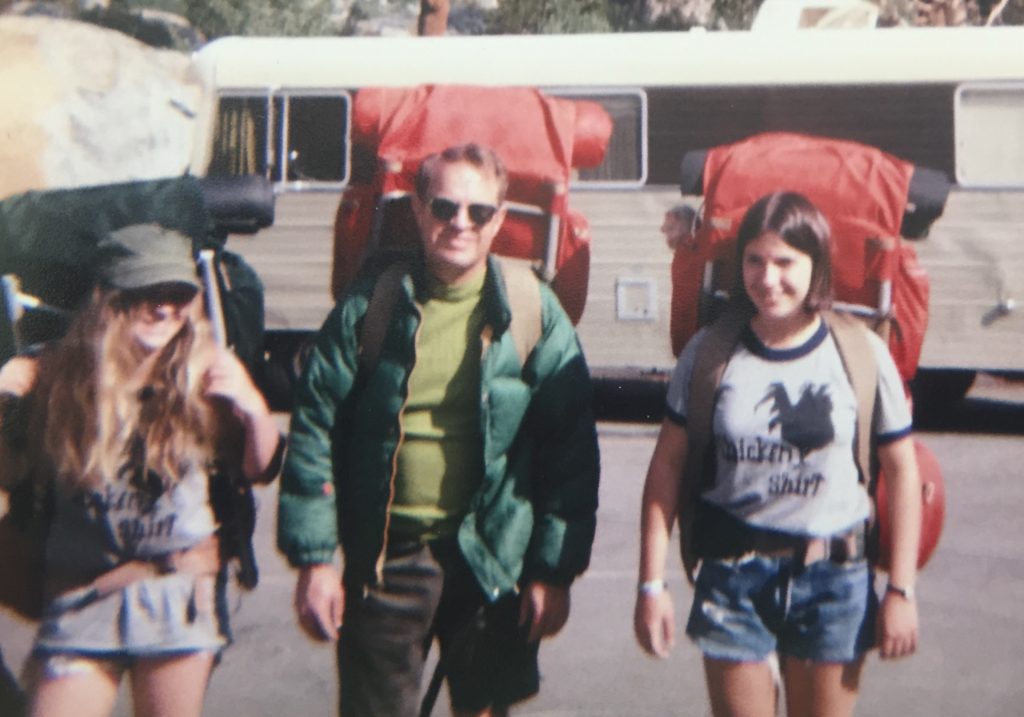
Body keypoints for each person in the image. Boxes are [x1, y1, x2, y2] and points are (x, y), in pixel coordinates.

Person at [278, 143, 600, 717]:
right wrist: (316, 559)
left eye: (479, 211)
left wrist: (554, 571)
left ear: (499, 219)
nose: (461, 223)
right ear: (420, 211)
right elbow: (314, 429)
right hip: (386, 561)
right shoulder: (371, 305)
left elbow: (570, 451)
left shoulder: (532, 310)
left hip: (489, 556)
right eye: (446, 206)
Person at [634, 191, 921, 717]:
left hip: (835, 580)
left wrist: (901, 590)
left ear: (817, 266)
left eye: (786, 262)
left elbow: (903, 472)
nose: (768, 279)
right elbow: (667, 469)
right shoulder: (710, 353)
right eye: (755, 261)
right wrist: (651, 584)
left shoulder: (859, 353)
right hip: (733, 575)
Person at [0, 223, 282, 717]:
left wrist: (254, 410)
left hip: (176, 591)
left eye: (177, 294)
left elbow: (258, 470)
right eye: (148, 291)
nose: (165, 307)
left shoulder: (206, 370)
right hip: (81, 593)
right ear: (107, 297)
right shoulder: (55, 374)